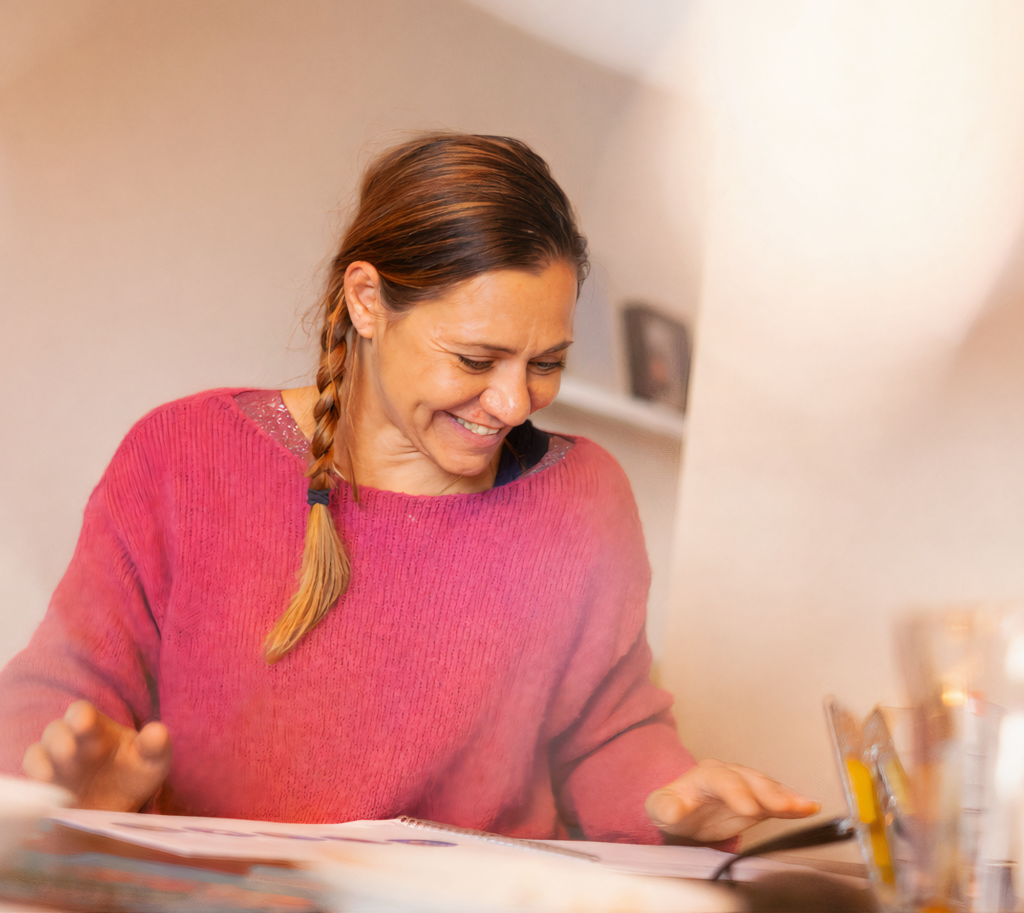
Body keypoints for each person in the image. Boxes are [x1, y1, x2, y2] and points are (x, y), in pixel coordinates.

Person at [0, 134, 817, 843]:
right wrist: (71, 791)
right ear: (367, 301)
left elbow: (610, 734)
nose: (512, 403)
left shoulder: (584, 497)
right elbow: (56, 693)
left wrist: (677, 798)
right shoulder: (181, 457)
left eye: (546, 364)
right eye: (474, 359)